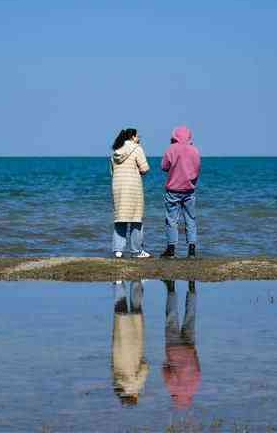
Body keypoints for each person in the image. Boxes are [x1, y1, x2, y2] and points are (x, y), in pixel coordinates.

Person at [159, 125, 201, 259]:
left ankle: (171, 250)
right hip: (189, 189)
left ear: (175, 136)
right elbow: (197, 168)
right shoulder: (194, 150)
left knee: (172, 220)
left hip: (173, 189)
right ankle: (192, 250)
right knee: (191, 220)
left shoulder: (171, 149)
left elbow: (164, 167)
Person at [110, 128, 151, 258]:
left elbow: (112, 172)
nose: (139, 138)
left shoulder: (115, 152)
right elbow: (145, 168)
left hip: (118, 187)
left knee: (120, 218)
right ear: (132, 137)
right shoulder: (137, 148)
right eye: (138, 136)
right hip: (133, 188)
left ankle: (118, 250)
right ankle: (136, 250)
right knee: (136, 219)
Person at [162, 280, 201, 409]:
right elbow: (166, 372)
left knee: (191, 316)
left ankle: (192, 289)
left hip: (190, 348)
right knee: (171, 317)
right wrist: (166, 363)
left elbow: (198, 368)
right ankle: (171, 288)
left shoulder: (195, 386)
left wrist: (193, 351)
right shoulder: (173, 389)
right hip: (173, 348)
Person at [111, 281, 149, 405]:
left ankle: (136, 281)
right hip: (119, 343)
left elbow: (145, 368)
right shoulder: (117, 383)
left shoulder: (135, 385)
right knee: (119, 305)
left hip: (135, 344)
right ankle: (118, 282)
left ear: (134, 397)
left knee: (136, 307)